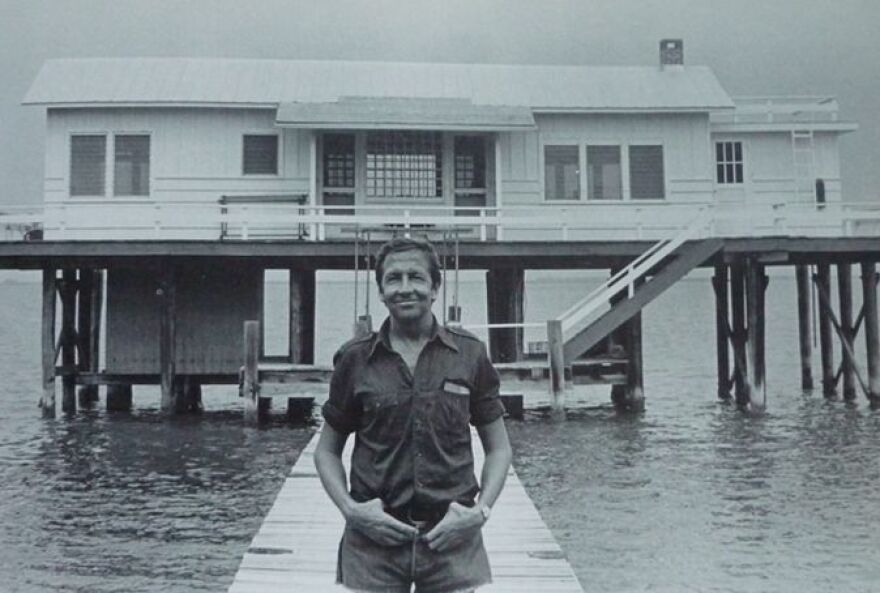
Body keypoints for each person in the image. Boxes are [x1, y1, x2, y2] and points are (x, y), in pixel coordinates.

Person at [314, 236, 513, 593]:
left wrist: (479, 512)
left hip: (451, 542)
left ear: (435, 287)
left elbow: (499, 448)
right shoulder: (355, 360)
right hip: (373, 543)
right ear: (381, 291)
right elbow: (326, 450)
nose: (405, 288)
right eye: (393, 279)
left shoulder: (469, 354)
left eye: (416, 278)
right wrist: (350, 510)